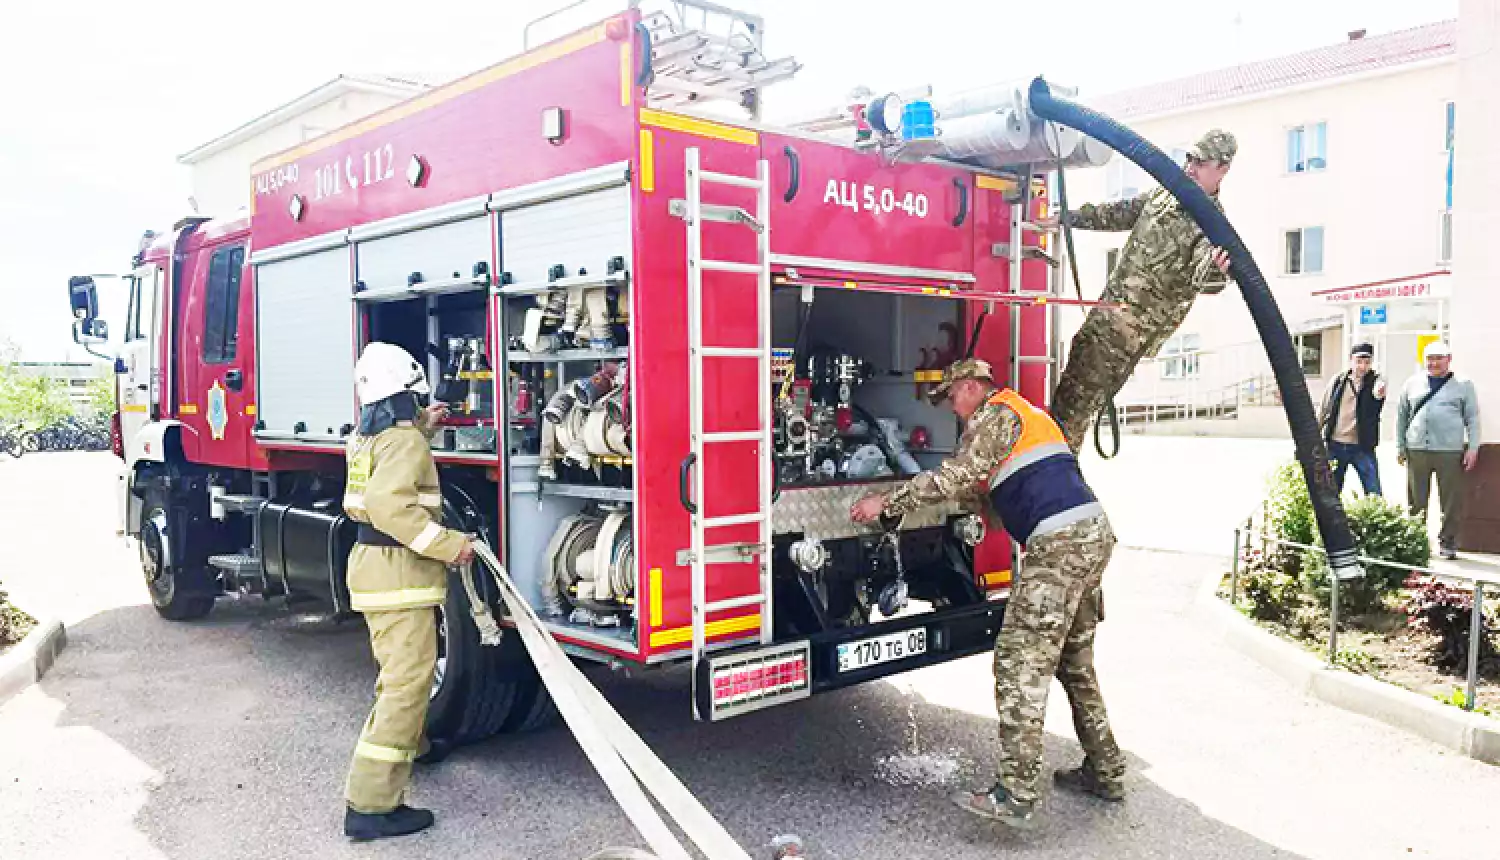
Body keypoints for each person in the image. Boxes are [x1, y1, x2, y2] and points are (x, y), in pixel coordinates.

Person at [849, 358, 1125, 827]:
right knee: (1073, 663)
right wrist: (952, 501)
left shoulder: (995, 414)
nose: (952, 409)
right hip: (1091, 536)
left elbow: (955, 476)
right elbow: (996, 497)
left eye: (951, 397)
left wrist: (887, 502)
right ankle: (1106, 771)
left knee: (1018, 663)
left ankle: (1015, 794)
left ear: (972, 386)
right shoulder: (1028, 415)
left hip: (1058, 547)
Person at [341, 342, 474, 841]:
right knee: (407, 683)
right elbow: (389, 506)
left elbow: (391, 459)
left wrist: (424, 425)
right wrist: (451, 545)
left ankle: (413, 745)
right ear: (405, 393)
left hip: (374, 572)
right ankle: (371, 806)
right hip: (399, 577)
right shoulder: (405, 444)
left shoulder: (366, 438)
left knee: (399, 673)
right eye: (416, 397)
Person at [1045, 129, 1237, 453]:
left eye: (1201, 162)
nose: (1190, 167)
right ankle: (1055, 470)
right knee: (1068, 401)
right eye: (1189, 159)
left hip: (1129, 333)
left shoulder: (1211, 224)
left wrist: (1218, 269)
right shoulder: (1165, 195)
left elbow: (1206, 277)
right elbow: (1118, 213)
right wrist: (1067, 218)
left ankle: (1056, 473)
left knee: (1072, 409)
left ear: (1222, 169)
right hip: (1106, 315)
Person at [1397, 341, 1481, 560]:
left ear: (1449, 359)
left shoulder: (1463, 384)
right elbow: (1402, 416)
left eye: (1438, 358)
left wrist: (1473, 447)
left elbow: (1472, 418)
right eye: (1429, 358)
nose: (1433, 363)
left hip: (1449, 450)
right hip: (1417, 449)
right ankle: (1416, 541)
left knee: (1451, 500)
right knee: (1416, 499)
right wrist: (1400, 445)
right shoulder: (1412, 383)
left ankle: (1448, 541)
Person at [1318, 342, 1387, 496]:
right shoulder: (1338, 381)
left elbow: (1378, 393)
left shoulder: (1375, 381)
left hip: (1362, 445)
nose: (1362, 366)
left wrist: (1379, 392)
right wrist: (1316, 434)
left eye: (1367, 362)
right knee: (1330, 491)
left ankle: (1374, 513)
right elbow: (1324, 409)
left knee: (1373, 491)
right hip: (1335, 444)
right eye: (1359, 361)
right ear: (1351, 360)